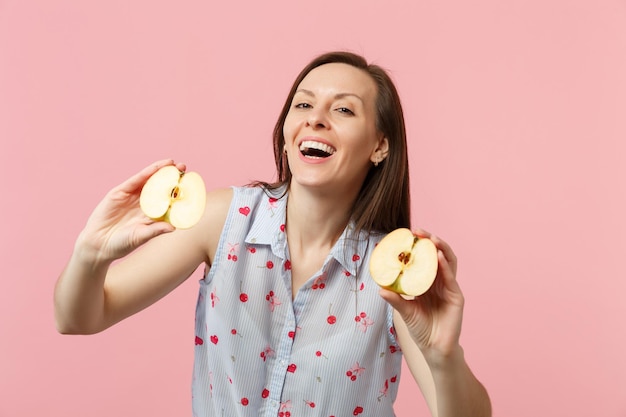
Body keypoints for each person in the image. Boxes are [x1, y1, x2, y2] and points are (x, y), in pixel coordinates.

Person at [54, 51, 491, 417]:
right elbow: (78, 318)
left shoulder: (391, 275)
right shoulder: (222, 218)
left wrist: (442, 355)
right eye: (303, 105)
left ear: (380, 146)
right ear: (286, 136)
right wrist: (91, 256)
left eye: (342, 109)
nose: (315, 120)